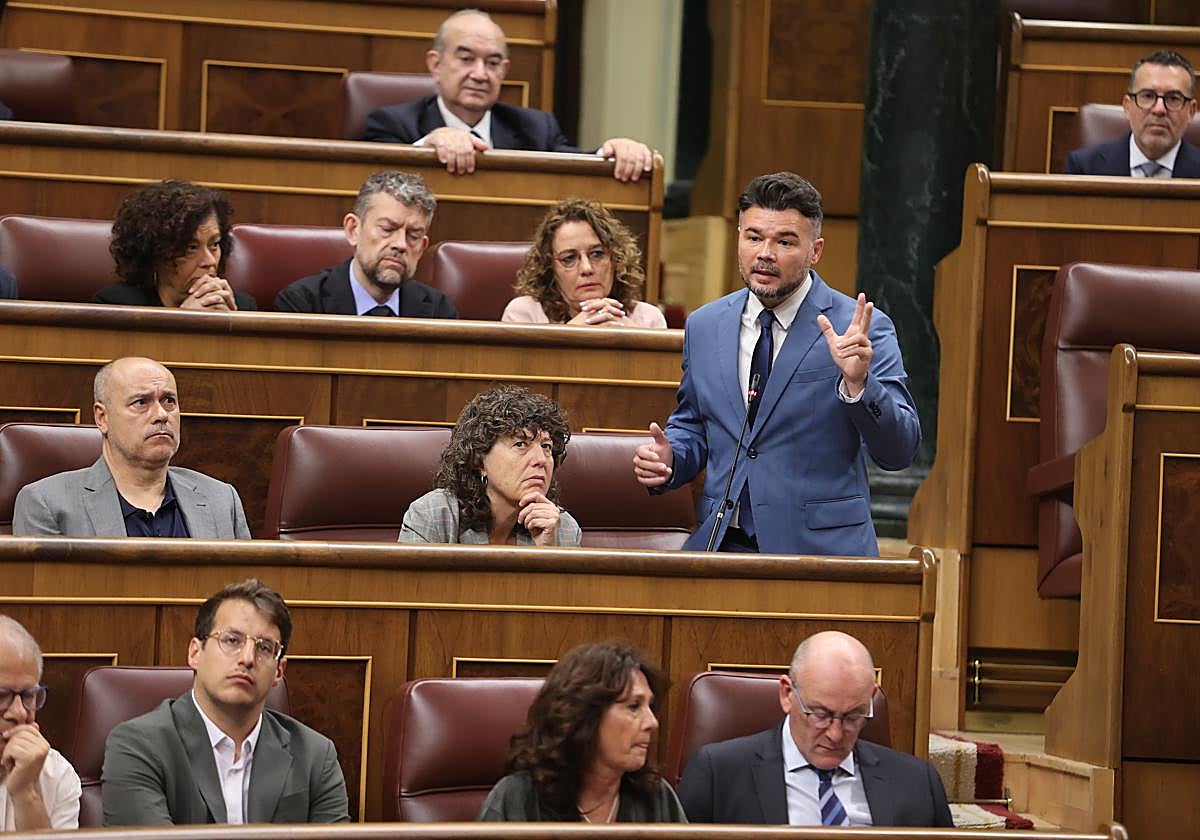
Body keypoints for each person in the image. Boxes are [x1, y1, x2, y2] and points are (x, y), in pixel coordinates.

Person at [632, 172, 920, 556]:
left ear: (815, 251)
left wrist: (859, 385)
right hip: (721, 547)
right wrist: (670, 458)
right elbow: (696, 426)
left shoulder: (859, 327)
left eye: (784, 241)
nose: (765, 253)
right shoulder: (704, 325)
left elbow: (900, 452)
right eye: (753, 237)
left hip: (821, 554)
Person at [101, 579, 349, 825]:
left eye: (264, 647)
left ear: (279, 672)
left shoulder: (315, 756)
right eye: (232, 640)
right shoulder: (138, 746)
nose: (248, 658)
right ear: (195, 653)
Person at [676, 631, 951, 827]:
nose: (835, 734)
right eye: (820, 714)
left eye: (854, 716)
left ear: (871, 697)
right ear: (787, 694)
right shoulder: (719, 773)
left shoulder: (917, 782)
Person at [362, 9, 653, 182]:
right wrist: (428, 144)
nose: (479, 74)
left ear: (504, 71)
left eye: (492, 63)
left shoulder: (535, 128)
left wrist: (611, 153)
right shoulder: (391, 124)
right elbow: (377, 186)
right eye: (466, 59)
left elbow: (572, 166)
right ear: (436, 65)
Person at [13, 357, 251, 539]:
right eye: (141, 402)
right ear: (102, 418)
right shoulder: (46, 503)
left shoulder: (221, 498)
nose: (161, 415)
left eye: (169, 401)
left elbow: (246, 601)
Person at [478, 641, 686, 822]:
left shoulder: (655, 797)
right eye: (633, 706)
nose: (652, 722)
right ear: (585, 715)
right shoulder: (517, 798)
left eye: (651, 706)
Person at [399, 385, 581, 546]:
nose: (540, 459)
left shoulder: (563, 529)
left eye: (546, 446)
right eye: (520, 444)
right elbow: (411, 586)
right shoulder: (435, 515)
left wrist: (549, 554)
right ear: (479, 460)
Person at [274, 171, 458, 318]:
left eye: (413, 235)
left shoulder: (438, 311)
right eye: (387, 229)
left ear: (422, 248)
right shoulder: (303, 304)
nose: (400, 244)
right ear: (353, 230)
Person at [501, 198, 667, 329]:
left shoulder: (647, 319)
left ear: (615, 259)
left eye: (597, 254)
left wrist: (634, 337)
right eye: (569, 258)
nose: (586, 268)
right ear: (550, 269)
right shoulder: (524, 315)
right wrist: (571, 334)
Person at [95, 180, 256, 310]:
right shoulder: (116, 304)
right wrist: (184, 321)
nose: (210, 262)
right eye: (191, 248)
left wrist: (233, 327)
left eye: (214, 245)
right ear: (156, 252)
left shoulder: (241, 306)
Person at [0, 616, 81, 830]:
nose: (19, 713)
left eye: (28, 696)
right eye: (0, 696)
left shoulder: (56, 773)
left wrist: (28, 793)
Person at [1066, 50, 1200, 178]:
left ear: (1191, 111)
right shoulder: (1085, 168)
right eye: (1148, 96)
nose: (1159, 109)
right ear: (1127, 106)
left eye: (1173, 98)